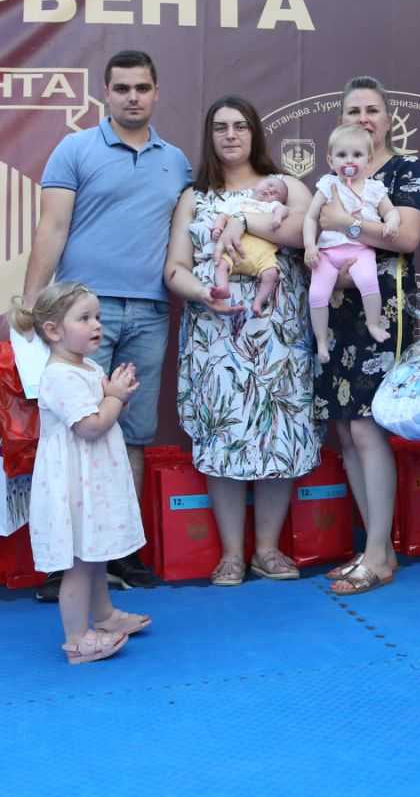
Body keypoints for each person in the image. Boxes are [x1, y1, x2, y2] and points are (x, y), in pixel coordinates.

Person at [23, 50, 192, 594]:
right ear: (106, 93)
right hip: (80, 315)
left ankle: (120, 554)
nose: (132, 97)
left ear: (156, 92)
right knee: (74, 432)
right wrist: (32, 305)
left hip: (151, 312)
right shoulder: (74, 149)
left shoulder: (178, 163)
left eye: (142, 87)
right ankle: (64, 563)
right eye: (122, 88)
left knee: (133, 434)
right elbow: (51, 229)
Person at [165, 96, 319, 586]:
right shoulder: (194, 197)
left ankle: (267, 550)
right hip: (215, 333)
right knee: (223, 434)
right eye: (220, 127)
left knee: (280, 431)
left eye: (240, 126)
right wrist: (203, 294)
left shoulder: (286, 185)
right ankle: (231, 553)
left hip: (278, 334)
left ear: (254, 132)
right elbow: (174, 268)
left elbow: (305, 233)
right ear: (209, 136)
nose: (230, 135)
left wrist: (246, 219)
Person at [313, 77, 420, 597]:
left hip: (383, 311)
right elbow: (315, 233)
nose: (364, 118)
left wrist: (348, 224)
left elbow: (407, 236)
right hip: (335, 313)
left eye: (373, 110)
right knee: (345, 431)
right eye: (353, 111)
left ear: (388, 119)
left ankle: (380, 552)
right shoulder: (334, 175)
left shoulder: (405, 169)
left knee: (366, 428)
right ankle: (374, 548)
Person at [10, 281, 150, 664]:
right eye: (84, 318)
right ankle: (76, 639)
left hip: (94, 479)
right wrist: (115, 397)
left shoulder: (87, 366)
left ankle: (103, 616)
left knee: (96, 553)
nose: (96, 325)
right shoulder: (59, 376)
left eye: (97, 317)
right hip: (75, 484)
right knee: (78, 564)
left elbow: (103, 402)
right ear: (53, 330)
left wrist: (116, 390)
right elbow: (91, 425)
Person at [304, 124, 403, 363]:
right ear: (330, 160)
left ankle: (373, 323)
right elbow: (310, 217)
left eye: (357, 154)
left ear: (369, 160)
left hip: (360, 251)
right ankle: (321, 341)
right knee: (317, 294)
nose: (349, 160)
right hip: (327, 253)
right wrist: (310, 246)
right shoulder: (328, 185)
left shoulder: (374, 188)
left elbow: (391, 211)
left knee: (368, 281)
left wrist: (391, 222)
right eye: (342, 155)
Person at [208, 174, 289, 315]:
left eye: (275, 193)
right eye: (269, 184)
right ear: (257, 185)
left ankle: (259, 301)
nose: (270, 190)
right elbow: (223, 216)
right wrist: (218, 228)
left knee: (271, 273)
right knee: (220, 264)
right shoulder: (238, 202)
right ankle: (223, 287)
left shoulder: (270, 206)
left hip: (262, 254)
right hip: (235, 249)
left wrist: (277, 217)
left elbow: (284, 210)